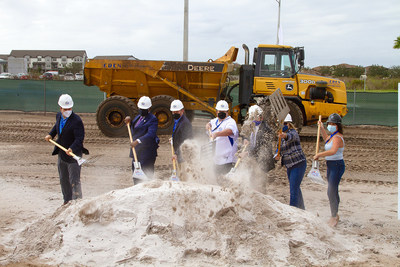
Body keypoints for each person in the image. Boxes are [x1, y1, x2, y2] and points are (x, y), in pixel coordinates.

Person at [45, 94, 88, 205]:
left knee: (74, 180)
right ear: (60, 108)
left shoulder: (77, 121)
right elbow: (57, 126)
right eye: (65, 109)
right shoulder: (59, 116)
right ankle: (67, 201)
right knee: (64, 179)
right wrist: (51, 135)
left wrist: (71, 148)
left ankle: (77, 202)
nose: (68, 111)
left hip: (73, 155)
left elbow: (79, 139)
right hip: (62, 153)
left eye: (69, 109)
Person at [313, 113, 345, 227]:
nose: (330, 125)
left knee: (331, 190)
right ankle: (334, 214)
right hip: (330, 165)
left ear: (337, 125)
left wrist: (319, 154)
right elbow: (326, 139)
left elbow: (333, 151)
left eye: (332, 124)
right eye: (329, 124)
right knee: (332, 190)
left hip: (337, 165)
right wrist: (321, 128)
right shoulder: (332, 136)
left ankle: (334, 216)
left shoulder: (337, 137)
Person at [275, 114, 307, 210]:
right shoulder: (280, 136)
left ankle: (293, 210)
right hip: (290, 165)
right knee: (296, 187)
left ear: (289, 124)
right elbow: (278, 148)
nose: (282, 126)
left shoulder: (293, 132)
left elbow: (290, 137)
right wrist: (277, 154)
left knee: (293, 189)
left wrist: (284, 136)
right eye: (280, 124)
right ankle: (302, 209)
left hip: (298, 164)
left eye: (284, 124)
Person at [124, 96, 159, 184]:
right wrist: (129, 122)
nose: (142, 110)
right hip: (137, 151)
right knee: (136, 175)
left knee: (146, 176)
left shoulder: (152, 119)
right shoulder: (138, 117)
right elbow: (136, 129)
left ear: (149, 109)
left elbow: (151, 134)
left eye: (144, 109)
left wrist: (138, 141)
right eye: (141, 108)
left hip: (146, 152)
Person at [206, 100, 239, 175]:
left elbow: (229, 131)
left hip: (227, 161)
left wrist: (217, 134)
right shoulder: (214, 121)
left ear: (227, 112)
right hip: (215, 160)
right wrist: (207, 125)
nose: (221, 113)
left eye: (223, 112)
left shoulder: (231, 122)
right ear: (216, 111)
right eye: (220, 111)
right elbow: (209, 123)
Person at [243, 105, 275, 173]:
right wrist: (245, 139)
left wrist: (247, 153)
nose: (254, 119)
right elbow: (245, 134)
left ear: (261, 117)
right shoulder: (250, 125)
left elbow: (260, 147)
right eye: (252, 118)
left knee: (259, 180)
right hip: (251, 159)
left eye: (255, 117)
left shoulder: (267, 130)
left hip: (262, 161)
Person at [170, 99, 193, 181]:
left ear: (182, 111)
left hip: (183, 156)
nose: (175, 113)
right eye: (173, 112)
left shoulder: (185, 123)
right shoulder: (177, 121)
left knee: (183, 177)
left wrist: (176, 153)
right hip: (179, 155)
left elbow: (185, 141)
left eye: (177, 112)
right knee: (180, 174)